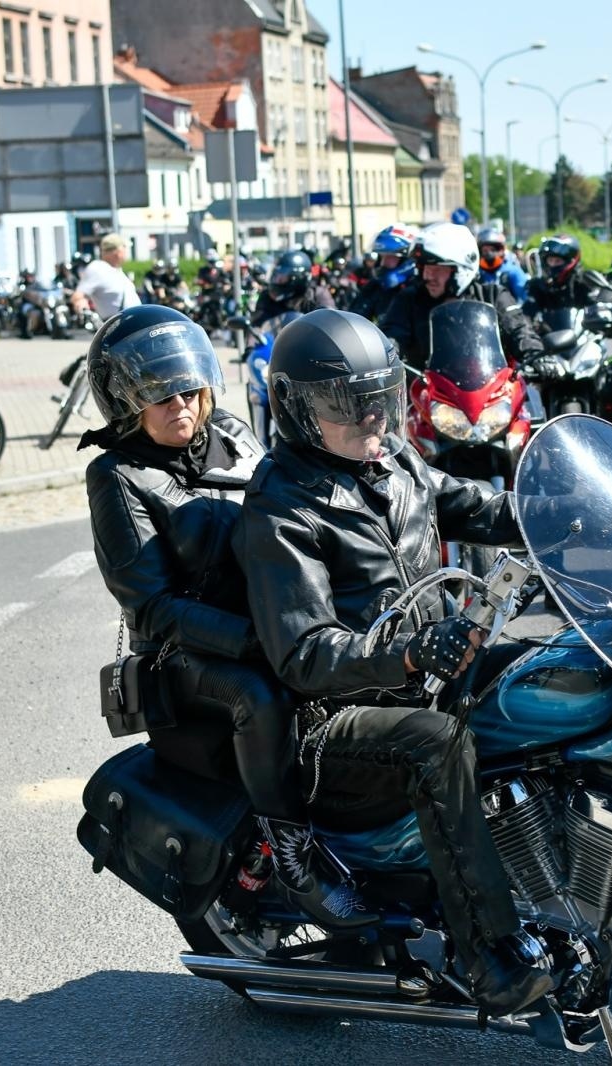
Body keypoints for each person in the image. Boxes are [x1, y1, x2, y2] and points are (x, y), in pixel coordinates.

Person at [237, 308, 555, 1018]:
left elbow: (471, 502)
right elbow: (304, 653)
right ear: (294, 410)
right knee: (435, 745)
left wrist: (558, 507)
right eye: (343, 407)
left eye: (377, 399)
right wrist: (406, 652)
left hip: (426, 678)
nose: (369, 420)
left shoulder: (393, 461)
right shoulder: (281, 506)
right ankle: (490, 958)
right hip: (333, 721)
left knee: (549, 672)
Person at [83, 304, 369, 928]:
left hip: (271, 618)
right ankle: (293, 858)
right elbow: (152, 606)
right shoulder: (117, 474)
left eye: (188, 390)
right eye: (159, 397)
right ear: (125, 403)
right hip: (188, 655)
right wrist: (256, 643)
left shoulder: (236, 435)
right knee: (263, 695)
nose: (180, 406)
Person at [379, 223, 542, 370]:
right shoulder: (409, 299)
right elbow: (393, 334)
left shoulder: (493, 295)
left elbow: (520, 330)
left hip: (491, 392)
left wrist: (536, 357)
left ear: (461, 269)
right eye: (424, 267)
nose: (428, 276)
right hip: (428, 394)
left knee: (530, 400)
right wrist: (386, 357)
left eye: (436, 268)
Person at [522, 233, 612, 319]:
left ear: (570, 261)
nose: (552, 265)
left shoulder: (583, 283)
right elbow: (527, 314)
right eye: (550, 261)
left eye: (557, 261)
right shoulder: (540, 286)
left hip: (581, 338)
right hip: (548, 338)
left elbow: (596, 310)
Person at [347, 223, 418, 322]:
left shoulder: (420, 291)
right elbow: (355, 318)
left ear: (407, 259)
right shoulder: (375, 288)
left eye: (389, 257)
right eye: (382, 257)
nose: (383, 263)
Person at [251, 249, 334, 329]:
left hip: (309, 341)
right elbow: (258, 325)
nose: (276, 281)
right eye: (275, 276)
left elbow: (331, 321)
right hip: (277, 342)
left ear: (297, 278)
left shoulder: (316, 294)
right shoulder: (267, 296)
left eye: (281, 277)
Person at [72, 233, 139, 324]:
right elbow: (78, 296)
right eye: (125, 248)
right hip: (119, 326)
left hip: (132, 323)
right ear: (118, 251)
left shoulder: (116, 270)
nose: (126, 251)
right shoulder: (97, 268)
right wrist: (81, 303)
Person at [475, 226, 527, 303]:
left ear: (501, 250)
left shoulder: (513, 271)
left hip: (508, 313)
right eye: (485, 250)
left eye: (492, 250)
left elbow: (525, 297)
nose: (489, 253)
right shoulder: (476, 273)